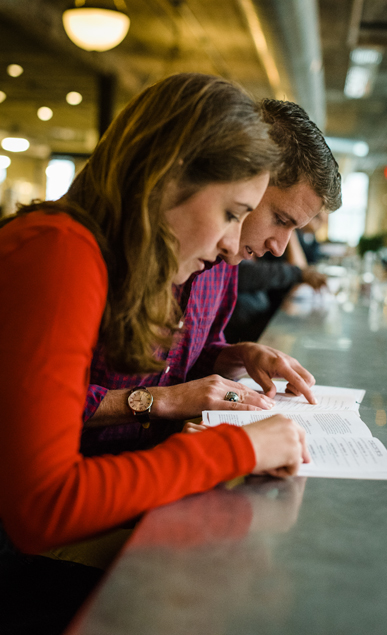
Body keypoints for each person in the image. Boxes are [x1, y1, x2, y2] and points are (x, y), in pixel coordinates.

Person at [0, 74, 309, 632]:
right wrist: (234, 449)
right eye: (233, 213)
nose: (228, 247)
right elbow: (44, 509)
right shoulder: (59, 253)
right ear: (168, 178)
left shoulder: (88, 251)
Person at [78, 99, 342, 455]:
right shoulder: (88, 255)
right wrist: (161, 401)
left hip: (157, 468)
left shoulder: (224, 264)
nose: (280, 248)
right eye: (280, 219)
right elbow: (36, 406)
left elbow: (186, 358)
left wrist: (236, 355)